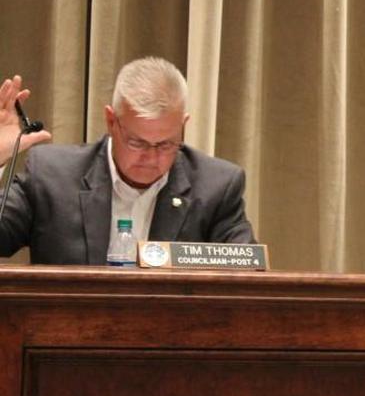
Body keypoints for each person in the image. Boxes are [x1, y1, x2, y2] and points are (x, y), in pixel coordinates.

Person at [0, 57, 255, 264]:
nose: (152, 157)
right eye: (137, 142)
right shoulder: (53, 175)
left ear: (183, 126)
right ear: (111, 121)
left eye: (166, 143)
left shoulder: (216, 188)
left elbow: (246, 280)